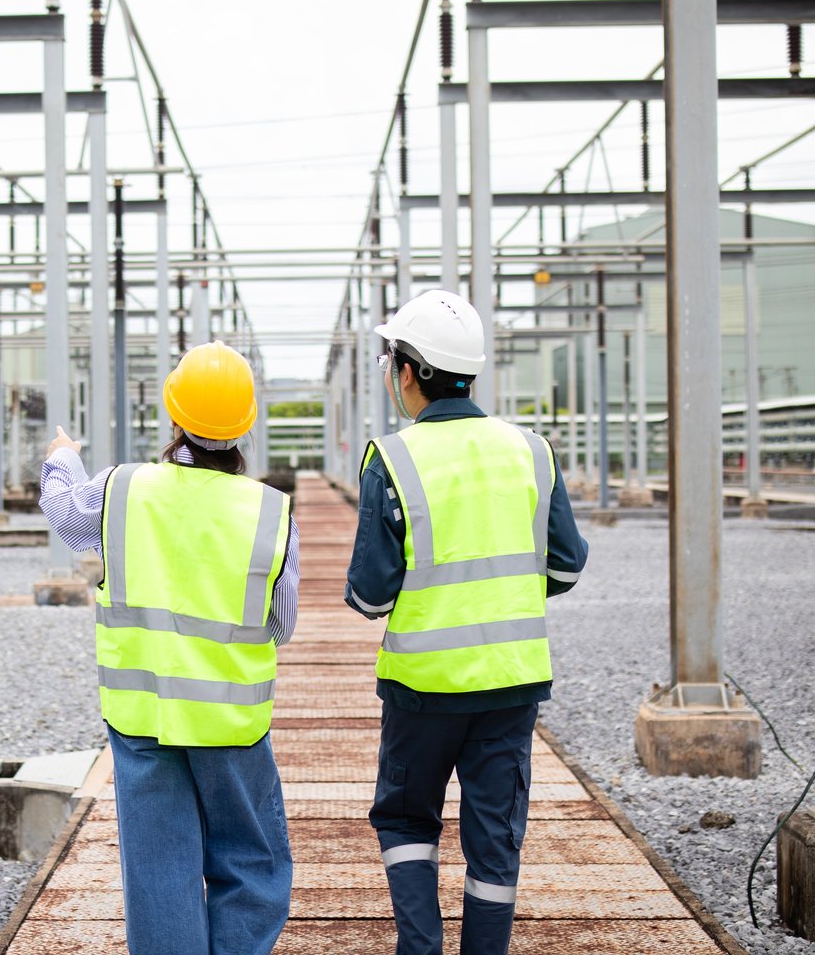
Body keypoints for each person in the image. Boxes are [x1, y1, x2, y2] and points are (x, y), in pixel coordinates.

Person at [345, 289, 588, 955]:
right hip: (511, 687)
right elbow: (566, 567)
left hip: (423, 687)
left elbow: (369, 597)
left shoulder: (392, 460)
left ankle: (419, 948)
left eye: (393, 359)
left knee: (405, 820)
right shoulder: (531, 452)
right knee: (494, 840)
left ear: (411, 373)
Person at [40, 340, 298, 955]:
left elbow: (63, 513)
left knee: (158, 868)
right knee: (250, 860)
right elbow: (282, 625)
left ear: (174, 414)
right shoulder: (270, 511)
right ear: (246, 423)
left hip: (143, 715)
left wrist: (62, 457)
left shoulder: (123, 489)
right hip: (231, 721)